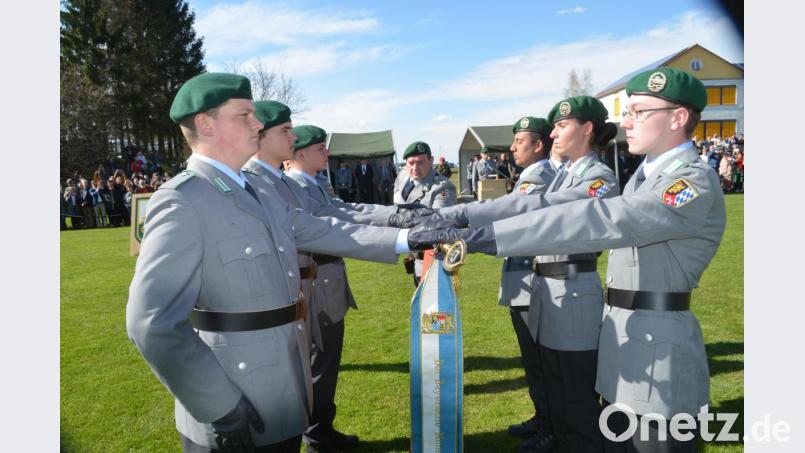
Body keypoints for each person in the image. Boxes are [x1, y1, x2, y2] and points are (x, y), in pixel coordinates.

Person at [410, 67, 725, 453]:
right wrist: (466, 222)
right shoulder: (645, 177)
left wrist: (485, 237)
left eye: (639, 111)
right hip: (627, 337)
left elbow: (604, 218)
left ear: (678, 118)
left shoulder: (691, 181)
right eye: (629, 111)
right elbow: (545, 205)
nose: (626, 121)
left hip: (658, 346)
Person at [126, 73, 404, 453]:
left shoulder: (258, 190)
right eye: (245, 115)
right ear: (206, 125)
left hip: (281, 388)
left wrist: (408, 238)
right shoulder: (182, 200)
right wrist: (219, 406)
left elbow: (326, 231)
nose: (257, 124)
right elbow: (151, 322)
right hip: (233, 397)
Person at [393, 141, 457, 286]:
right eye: (411, 163)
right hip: (412, 252)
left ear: (431, 161)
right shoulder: (403, 176)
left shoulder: (442, 187)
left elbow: (439, 225)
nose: (415, 167)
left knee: (431, 303)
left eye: (420, 162)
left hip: (432, 257)